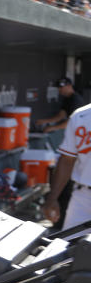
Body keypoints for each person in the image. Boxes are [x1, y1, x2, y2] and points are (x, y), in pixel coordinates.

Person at [41, 98, 91, 235]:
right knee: (69, 250)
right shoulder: (80, 116)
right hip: (83, 197)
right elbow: (67, 160)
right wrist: (52, 197)